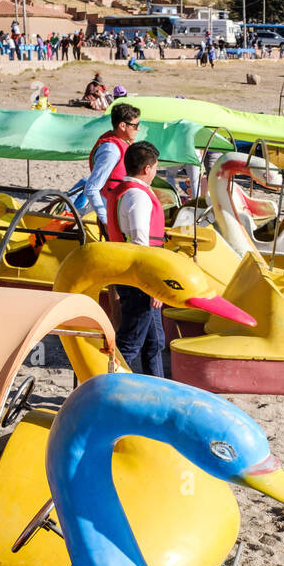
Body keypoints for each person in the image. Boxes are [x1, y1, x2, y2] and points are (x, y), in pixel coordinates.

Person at [106, 140, 166, 376]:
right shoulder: (137, 196)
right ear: (146, 169)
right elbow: (140, 240)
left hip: (133, 276)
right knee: (131, 343)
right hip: (139, 279)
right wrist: (153, 285)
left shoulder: (124, 191)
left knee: (154, 342)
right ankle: (111, 389)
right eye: (155, 167)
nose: (156, 171)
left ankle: (157, 388)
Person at [76, 101, 142, 234]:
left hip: (117, 209)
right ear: (122, 126)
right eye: (135, 125)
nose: (138, 129)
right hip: (107, 211)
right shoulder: (111, 150)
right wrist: (106, 220)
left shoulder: (123, 143)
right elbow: (91, 188)